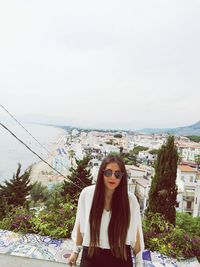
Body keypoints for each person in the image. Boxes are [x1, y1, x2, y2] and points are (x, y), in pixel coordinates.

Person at [68, 154, 144, 267]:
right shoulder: (87, 194)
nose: (112, 177)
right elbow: (81, 224)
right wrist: (75, 252)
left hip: (120, 257)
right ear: (101, 173)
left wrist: (139, 263)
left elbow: (135, 232)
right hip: (91, 255)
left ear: (122, 177)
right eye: (108, 172)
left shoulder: (130, 200)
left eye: (117, 174)